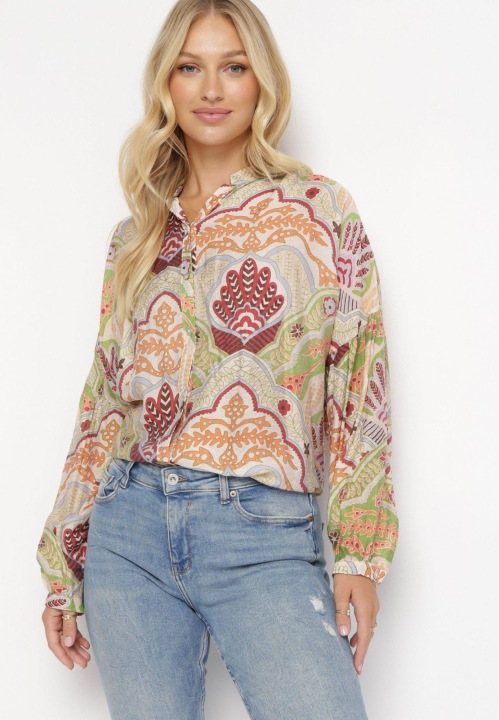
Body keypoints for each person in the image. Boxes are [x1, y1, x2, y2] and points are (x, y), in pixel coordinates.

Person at [36, 1, 399, 718]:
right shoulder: (136, 234)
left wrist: (359, 553)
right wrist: (62, 564)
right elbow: (103, 400)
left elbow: (361, 385)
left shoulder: (319, 211)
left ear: (261, 81)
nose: (210, 89)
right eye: (189, 68)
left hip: (262, 531)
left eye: (233, 67)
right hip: (128, 533)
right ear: (165, 84)